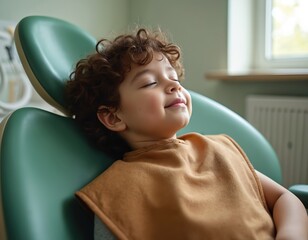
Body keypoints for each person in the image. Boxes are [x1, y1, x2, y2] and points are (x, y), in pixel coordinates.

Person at [65, 28, 308, 240]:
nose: (174, 85)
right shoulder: (116, 190)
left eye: (173, 77)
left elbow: (284, 199)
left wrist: (291, 234)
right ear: (113, 117)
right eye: (150, 83)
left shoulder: (217, 150)